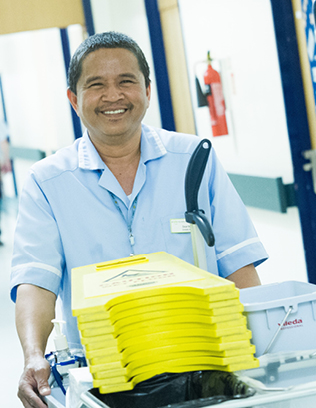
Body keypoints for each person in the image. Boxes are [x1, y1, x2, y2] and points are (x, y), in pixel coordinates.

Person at [10, 31, 268, 407]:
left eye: (126, 81)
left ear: (148, 90)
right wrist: (33, 354)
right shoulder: (48, 182)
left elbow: (237, 262)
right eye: (96, 84)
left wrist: (262, 350)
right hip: (106, 371)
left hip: (205, 364)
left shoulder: (194, 159)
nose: (113, 96)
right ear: (74, 99)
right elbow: (37, 278)